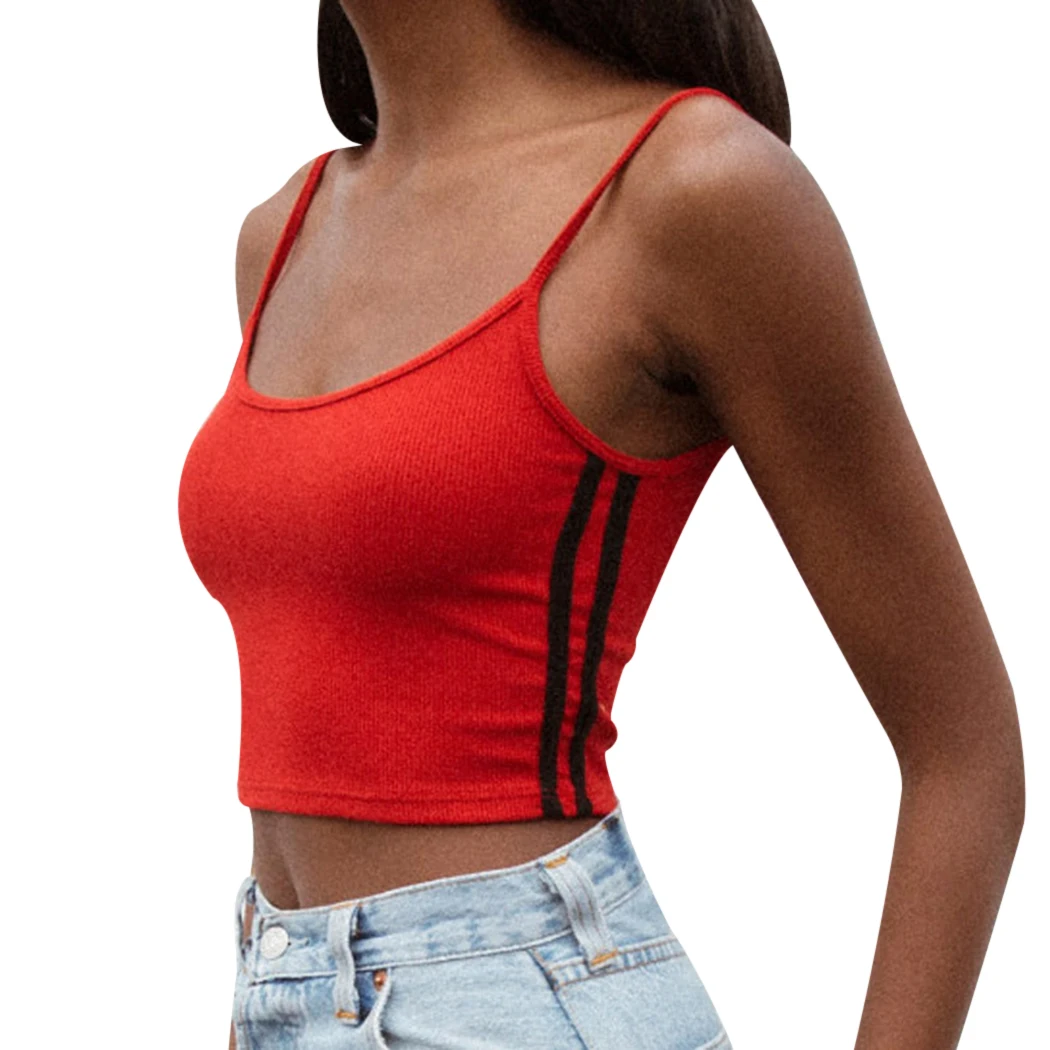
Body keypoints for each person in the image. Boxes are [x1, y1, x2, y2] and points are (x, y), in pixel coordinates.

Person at [176, 2, 1025, 1048]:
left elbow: (964, 754)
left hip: (523, 1001)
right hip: (281, 983)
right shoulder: (285, 231)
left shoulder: (690, 189)